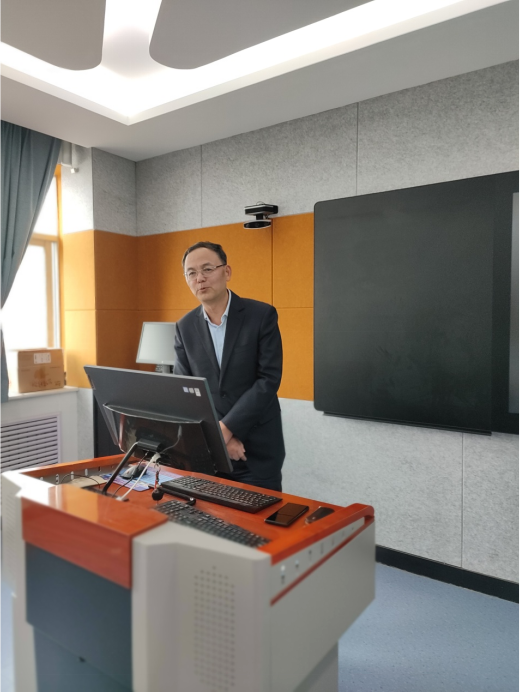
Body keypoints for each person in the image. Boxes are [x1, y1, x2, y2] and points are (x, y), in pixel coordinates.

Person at [173, 241, 285, 491]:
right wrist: (220, 438)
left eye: (207, 269)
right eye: (191, 273)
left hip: (256, 452)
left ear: (227, 271)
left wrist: (227, 428)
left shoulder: (261, 316)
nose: (200, 278)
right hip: (209, 455)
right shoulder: (184, 327)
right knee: (208, 515)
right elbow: (186, 392)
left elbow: (268, 380)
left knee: (260, 515)